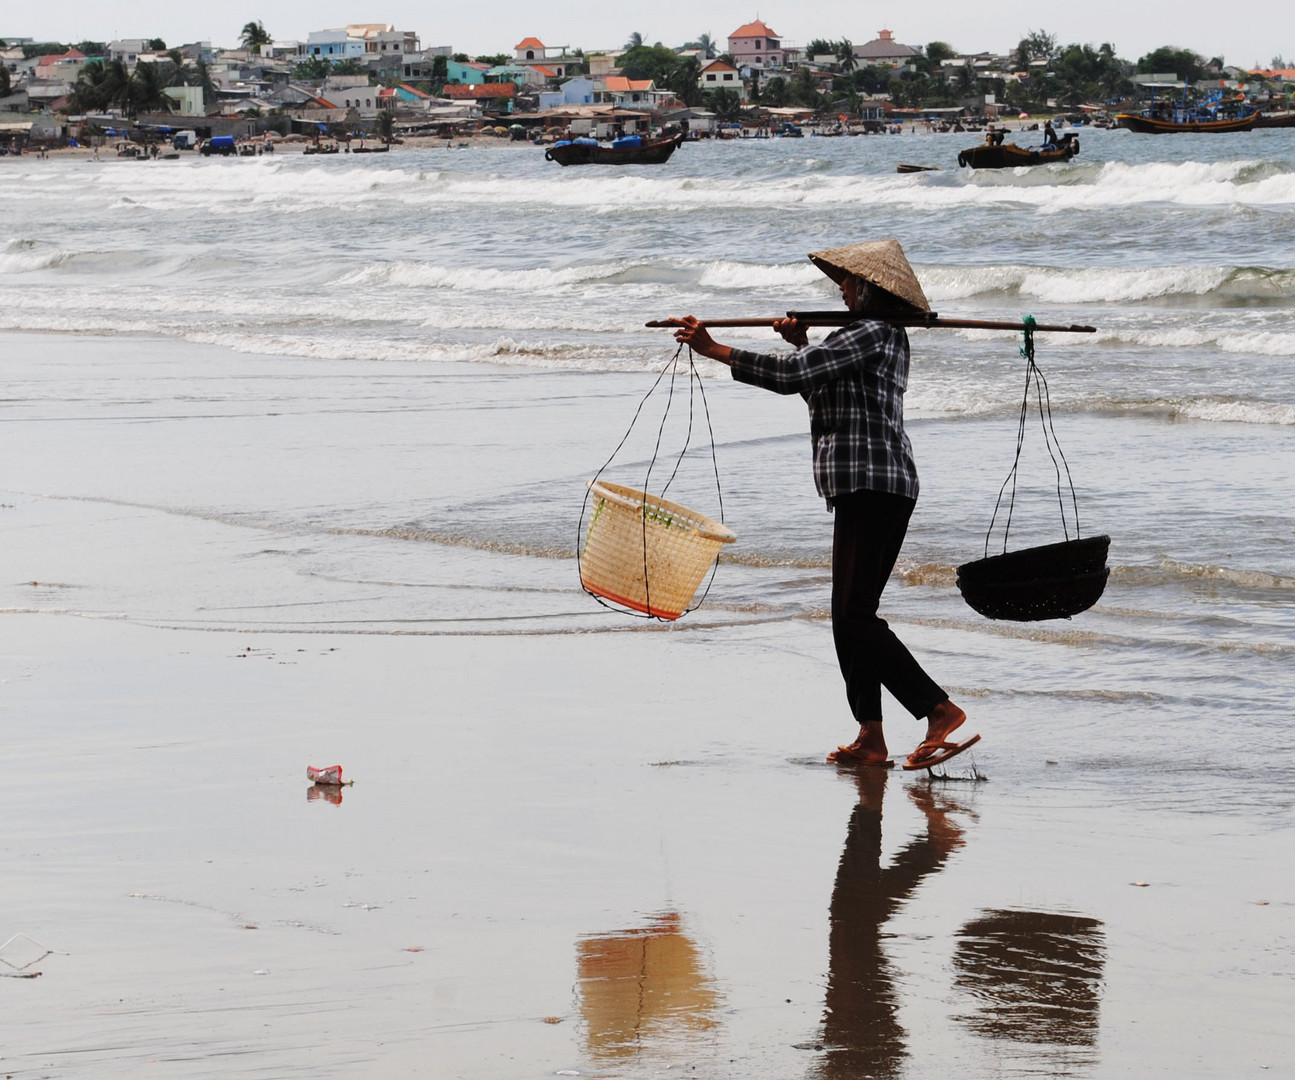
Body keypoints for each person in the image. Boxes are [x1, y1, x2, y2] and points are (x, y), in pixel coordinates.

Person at [669, 239, 979, 770]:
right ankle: (872, 737)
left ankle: (937, 708)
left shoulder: (873, 332)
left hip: (874, 484)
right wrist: (802, 345)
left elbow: (792, 379)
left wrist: (715, 349)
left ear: (868, 290)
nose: (840, 288)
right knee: (847, 617)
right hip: (862, 484)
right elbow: (818, 387)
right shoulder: (865, 337)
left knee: (855, 616)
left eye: (847, 282)